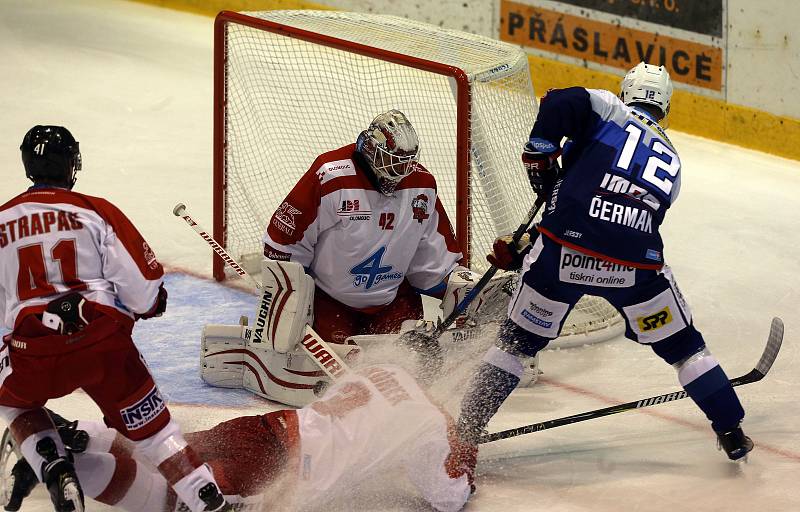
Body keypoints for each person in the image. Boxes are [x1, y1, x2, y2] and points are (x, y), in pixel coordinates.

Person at [454, 63, 753, 463]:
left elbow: (560, 100)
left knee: (516, 344)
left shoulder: (611, 108)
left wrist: (540, 155)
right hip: (636, 266)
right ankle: (731, 430)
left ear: (627, 90)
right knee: (687, 349)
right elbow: (617, 227)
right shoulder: (673, 160)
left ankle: (464, 430)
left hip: (563, 253)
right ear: (665, 104)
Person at [0, 126, 231, 511]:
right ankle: (207, 499)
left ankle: (54, 466)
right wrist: (152, 303)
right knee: (157, 435)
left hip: (34, 350)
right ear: (72, 163)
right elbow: (143, 292)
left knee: (16, 404)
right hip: (104, 346)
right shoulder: (95, 211)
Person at [253, 109, 499, 406]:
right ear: (369, 148)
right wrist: (289, 299)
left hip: (392, 300)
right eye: (392, 162)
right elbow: (284, 242)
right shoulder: (331, 175)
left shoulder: (421, 185)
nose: (400, 172)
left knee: (410, 370)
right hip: (331, 301)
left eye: (407, 162)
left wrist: (465, 292)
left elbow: (433, 261)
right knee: (331, 382)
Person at [2, 364, 475, 512]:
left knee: (165, 454)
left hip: (267, 427)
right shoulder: (431, 427)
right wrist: (466, 461)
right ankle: (65, 457)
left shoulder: (384, 370)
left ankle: (67, 439)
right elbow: (447, 497)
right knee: (169, 500)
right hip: (275, 464)